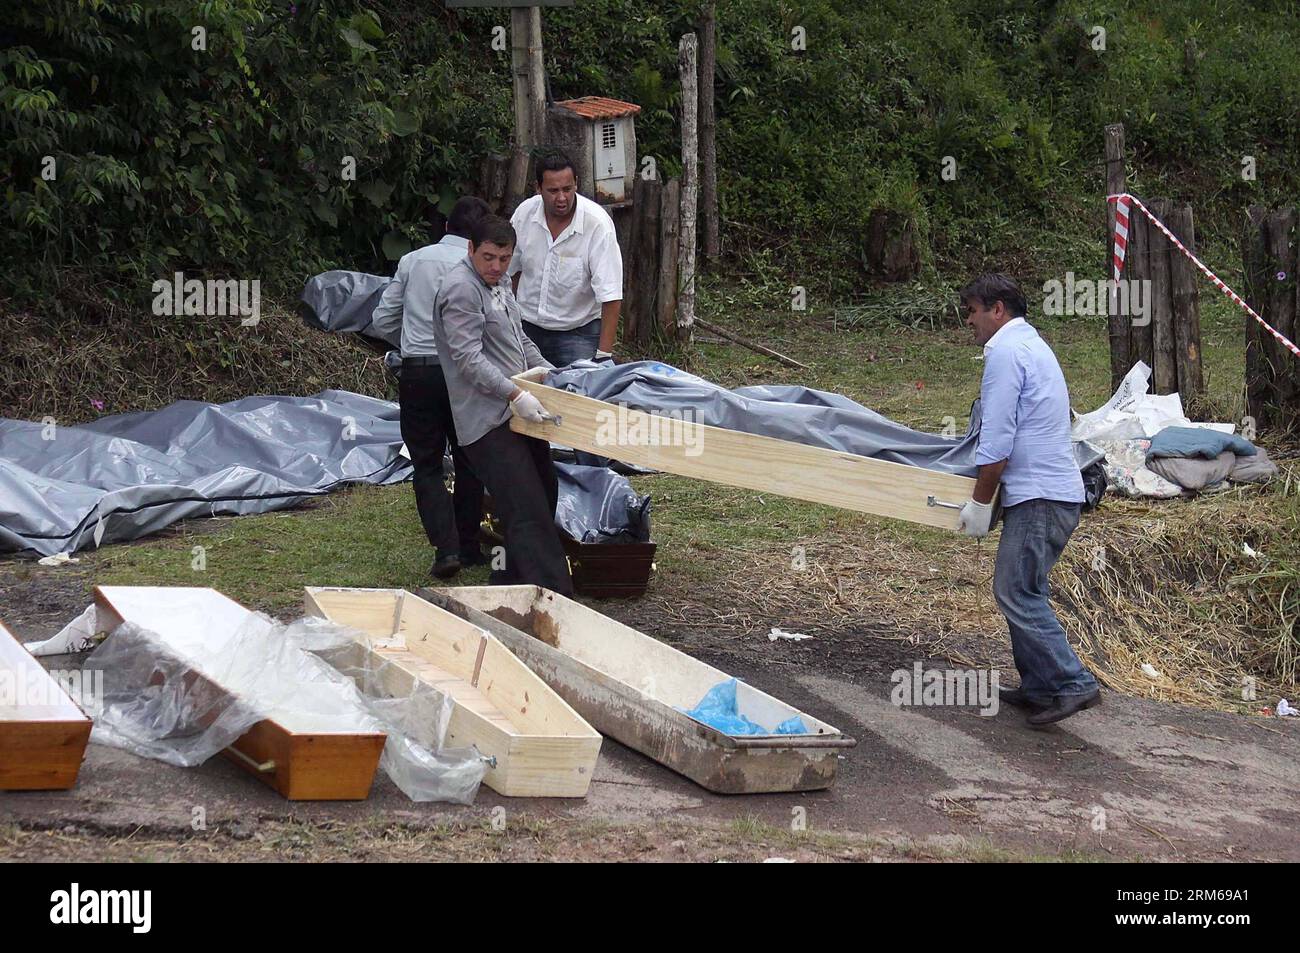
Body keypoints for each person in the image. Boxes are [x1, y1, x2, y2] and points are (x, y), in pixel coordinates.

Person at [956, 273, 1101, 727]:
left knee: (1014, 589)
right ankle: (1040, 686)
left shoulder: (1004, 350)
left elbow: (997, 436)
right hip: (1052, 492)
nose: (970, 322)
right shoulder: (1033, 345)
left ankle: (1073, 681)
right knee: (1027, 587)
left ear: (997, 309)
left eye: (973, 312)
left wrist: (980, 502)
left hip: (1041, 495)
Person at [413, 214, 573, 595]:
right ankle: (555, 597)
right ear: (470, 249)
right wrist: (515, 393)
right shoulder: (461, 290)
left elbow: (519, 340)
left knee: (544, 490)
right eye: (488, 257)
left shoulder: (499, 284)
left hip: (518, 412)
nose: (496, 266)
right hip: (487, 419)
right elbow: (467, 358)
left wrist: (549, 373)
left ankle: (509, 579)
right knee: (526, 506)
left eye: (504, 258)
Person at [370, 196, 491, 579]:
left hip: (419, 372)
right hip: (465, 372)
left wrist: (408, 343)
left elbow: (383, 318)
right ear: (477, 240)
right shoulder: (479, 267)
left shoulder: (413, 261)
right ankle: (469, 544)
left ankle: (446, 549)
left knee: (426, 463)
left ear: (446, 228)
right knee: (471, 457)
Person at [508, 151, 623, 366]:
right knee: (520, 392)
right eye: (553, 191)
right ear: (538, 188)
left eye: (567, 189)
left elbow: (611, 296)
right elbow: (510, 272)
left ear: (576, 184)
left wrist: (603, 355)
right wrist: (508, 321)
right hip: (526, 327)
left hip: (578, 332)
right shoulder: (524, 214)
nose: (561, 198)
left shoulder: (597, 225)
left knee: (575, 393)